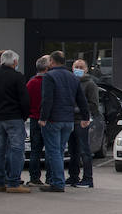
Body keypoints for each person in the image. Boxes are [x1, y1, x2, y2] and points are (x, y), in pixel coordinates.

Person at [38, 51, 90, 193]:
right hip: (68, 120)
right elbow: (81, 99)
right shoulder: (73, 77)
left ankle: (57, 182)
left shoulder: (49, 76)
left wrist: (43, 118)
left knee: (53, 151)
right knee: (59, 151)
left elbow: (47, 99)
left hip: (54, 119)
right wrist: (86, 117)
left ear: (52, 62)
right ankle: (57, 180)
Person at [0, 50, 31, 193]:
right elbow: (24, 99)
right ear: (15, 62)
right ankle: (14, 183)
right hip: (14, 117)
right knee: (16, 149)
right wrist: (24, 115)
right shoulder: (17, 77)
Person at [67, 59, 99, 188]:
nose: (78, 69)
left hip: (82, 121)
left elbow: (94, 105)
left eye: (81, 67)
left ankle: (87, 178)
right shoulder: (70, 83)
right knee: (72, 151)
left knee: (85, 151)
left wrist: (78, 110)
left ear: (86, 69)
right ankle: (73, 176)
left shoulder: (90, 84)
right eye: (76, 67)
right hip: (69, 121)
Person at [25, 55, 50, 186]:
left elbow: (26, 101)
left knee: (35, 150)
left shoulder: (31, 83)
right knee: (51, 150)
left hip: (34, 118)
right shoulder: (50, 82)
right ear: (47, 68)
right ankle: (50, 177)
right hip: (49, 119)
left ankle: (34, 177)